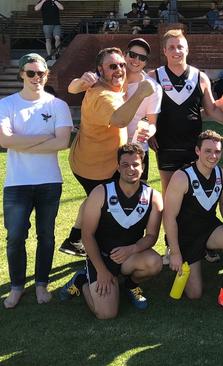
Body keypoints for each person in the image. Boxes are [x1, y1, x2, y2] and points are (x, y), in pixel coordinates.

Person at [60, 48, 155, 257]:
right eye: (113, 66)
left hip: (89, 161)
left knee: (92, 199)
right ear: (100, 70)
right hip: (95, 167)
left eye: (121, 64)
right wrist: (141, 93)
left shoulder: (109, 85)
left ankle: (74, 239)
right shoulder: (103, 96)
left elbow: (73, 87)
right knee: (100, 206)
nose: (120, 69)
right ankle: (95, 249)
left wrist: (79, 83)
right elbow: (120, 120)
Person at [0, 53, 72, 309]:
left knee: (46, 235)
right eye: (30, 73)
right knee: (16, 236)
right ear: (21, 74)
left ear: (46, 74)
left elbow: (62, 142)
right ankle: (17, 286)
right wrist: (44, 138)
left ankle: (41, 283)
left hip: (49, 182)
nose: (36, 78)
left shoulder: (57, 105)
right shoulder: (7, 104)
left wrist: (22, 141)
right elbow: (5, 140)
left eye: (40, 73)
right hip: (17, 183)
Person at [59, 143, 163, 318]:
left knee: (154, 262)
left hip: (129, 256)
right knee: (106, 314)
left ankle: (130, 285)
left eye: (136, 164)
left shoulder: (153, 197)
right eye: (125, 164)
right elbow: (87, 235)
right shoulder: (101, 192)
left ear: (143, 167)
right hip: (101, 257)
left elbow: (152, 236)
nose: (131, 169)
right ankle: (83, 280)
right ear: (118, 167)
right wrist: (101, 270)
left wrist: (132, 249)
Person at [163, 131, 223, 316]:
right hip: (186, 235)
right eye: (208, 151)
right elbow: (169, 217)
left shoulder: (221, 174)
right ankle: (180, 260)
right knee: (194, 293)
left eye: (217, 151)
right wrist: (175, 251)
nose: (213, 156)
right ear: (197, 151)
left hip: (209, 229)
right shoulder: (181, 177)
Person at [68, 38, 162, 183]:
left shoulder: (147, 85)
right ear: (126, 55)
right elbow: (72, 88)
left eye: (142, 58)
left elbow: (152, 122)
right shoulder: (105, 88)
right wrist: (81, 82)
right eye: (132, 55)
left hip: (134, 149)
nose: (136, 60)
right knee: (106, 200)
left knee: (134, 196)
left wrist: (150, 131)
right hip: (98, 163)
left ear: (145, 62)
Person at [150, 29, 223, 194]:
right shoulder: (154, 77)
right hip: (166, 146)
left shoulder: (200, 77)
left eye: (180, 47)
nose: (176, 51)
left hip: (194, 146)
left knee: (194, 193)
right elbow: (145, 111)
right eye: (171, 47)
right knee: (169, 194)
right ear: (164, 51)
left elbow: (211, 110)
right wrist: (149, 131)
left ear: (187, 50)